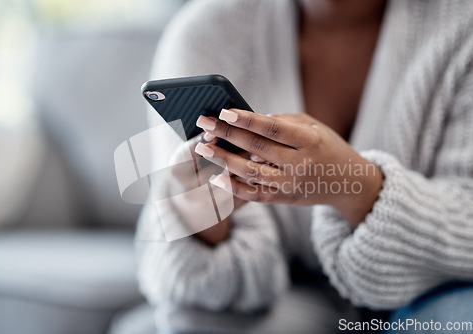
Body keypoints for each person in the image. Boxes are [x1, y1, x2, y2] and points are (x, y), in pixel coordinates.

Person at [136, 0, 473, 333]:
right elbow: (188, 290)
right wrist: (203, 222)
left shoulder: (461, 24)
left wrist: (354, 185)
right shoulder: (205, 33)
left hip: (433, 292)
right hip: (285, 297)